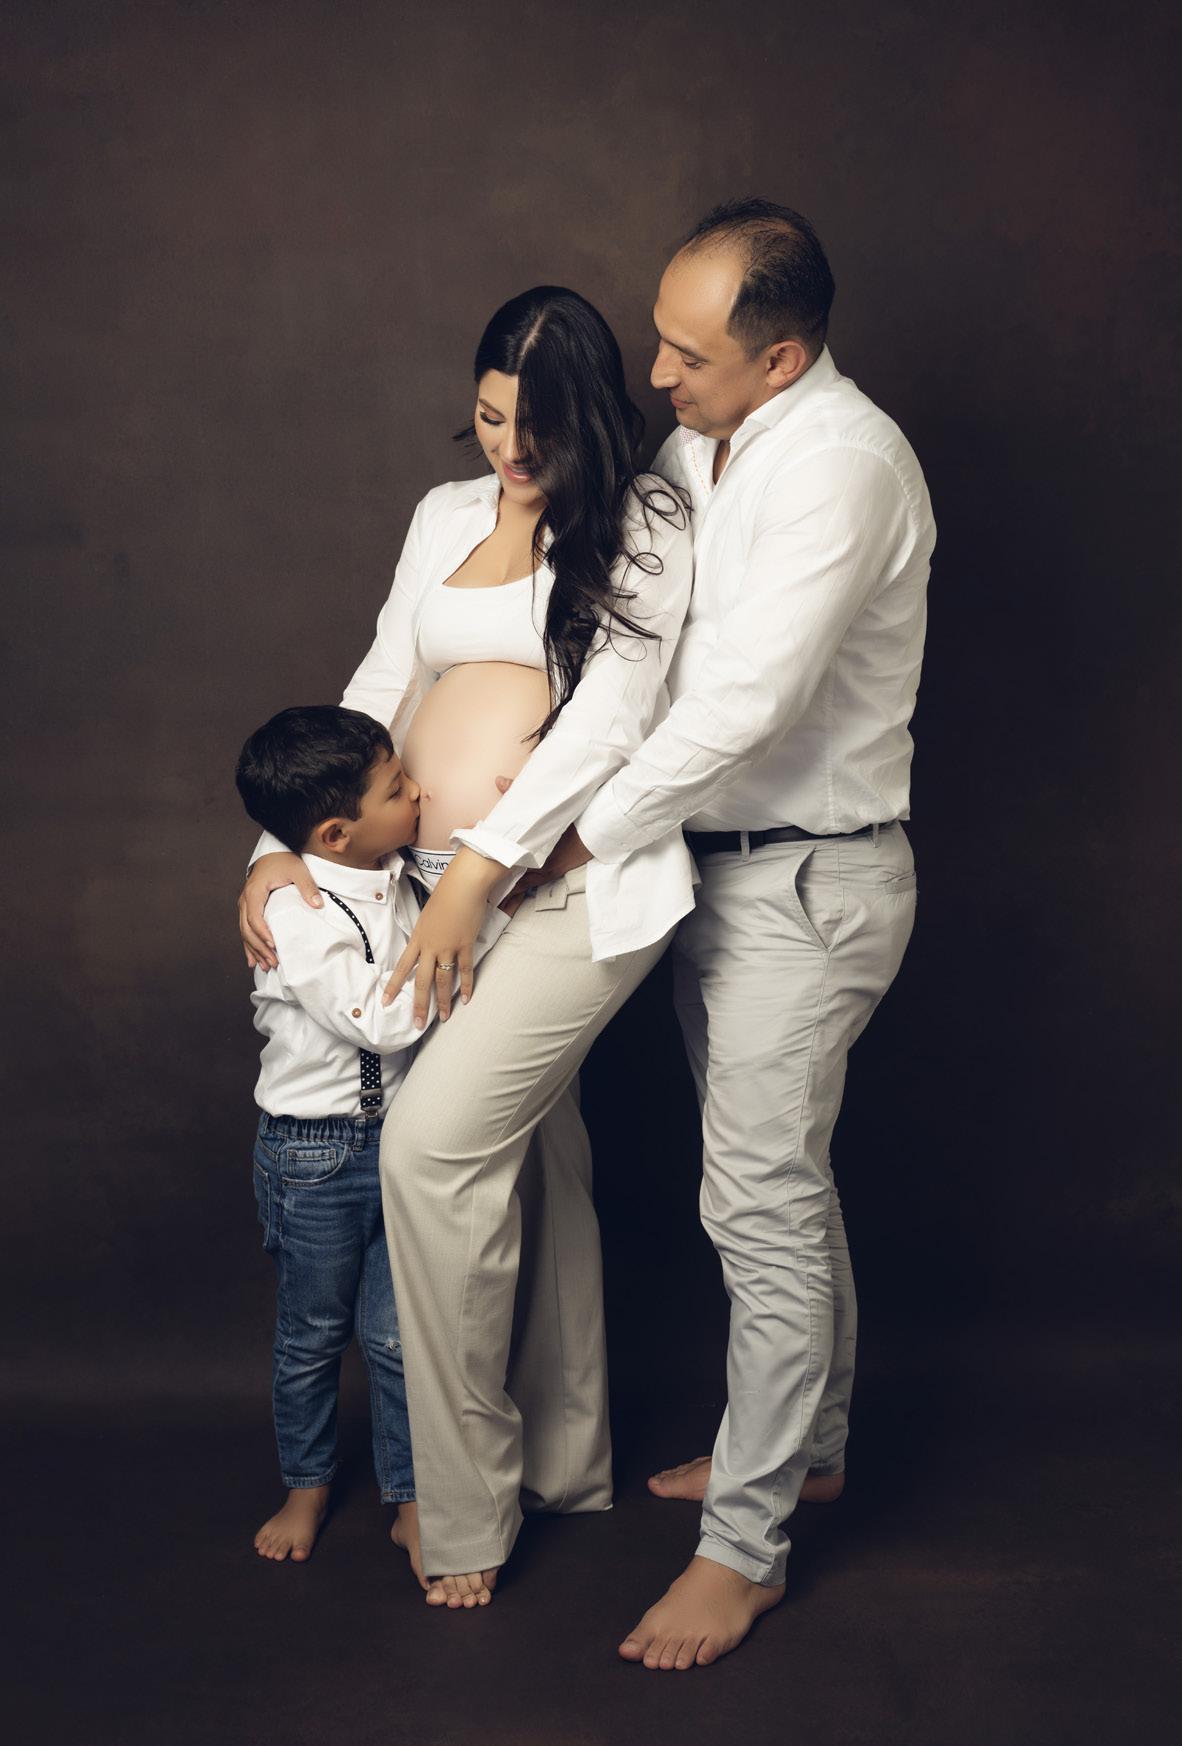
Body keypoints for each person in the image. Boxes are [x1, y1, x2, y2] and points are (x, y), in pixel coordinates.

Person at [238, 287, 695, 1609]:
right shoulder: (445, 515)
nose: (510, 447)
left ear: (592, 417)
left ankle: (460, 1499)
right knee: (536, 1157)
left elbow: (611, 720)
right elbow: (380, 685)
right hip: (416, 882)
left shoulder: (644, 522)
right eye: (491, 417)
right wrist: (281, 848)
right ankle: (565, 1458)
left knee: (434, 1152)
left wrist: (479, 872)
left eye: (537, 424)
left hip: (554, 889)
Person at [530, 200, 936, 1667]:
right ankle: (807, 1450)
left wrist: (583, 831)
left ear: (781, 358)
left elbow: (745, 704)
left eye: (687, 355)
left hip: (811, 888)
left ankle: (744, 1547)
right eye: (658, 339)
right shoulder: (703, 442)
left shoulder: (841, 467)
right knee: (778, 1190)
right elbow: (638, 642)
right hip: (724, 879)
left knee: (755, 1206)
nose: (655, 374)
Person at [234, 704, 507, 1576]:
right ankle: (307, 1486)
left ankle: (412, 1499)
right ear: (334, 834)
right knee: (312, 1336)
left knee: (398, 1337)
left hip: (400, 1144)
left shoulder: (397, 872)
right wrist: (463, 941)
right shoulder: (294, 911)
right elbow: (380, 1020)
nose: (419, 792)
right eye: (397, 789)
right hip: (312, 1157)